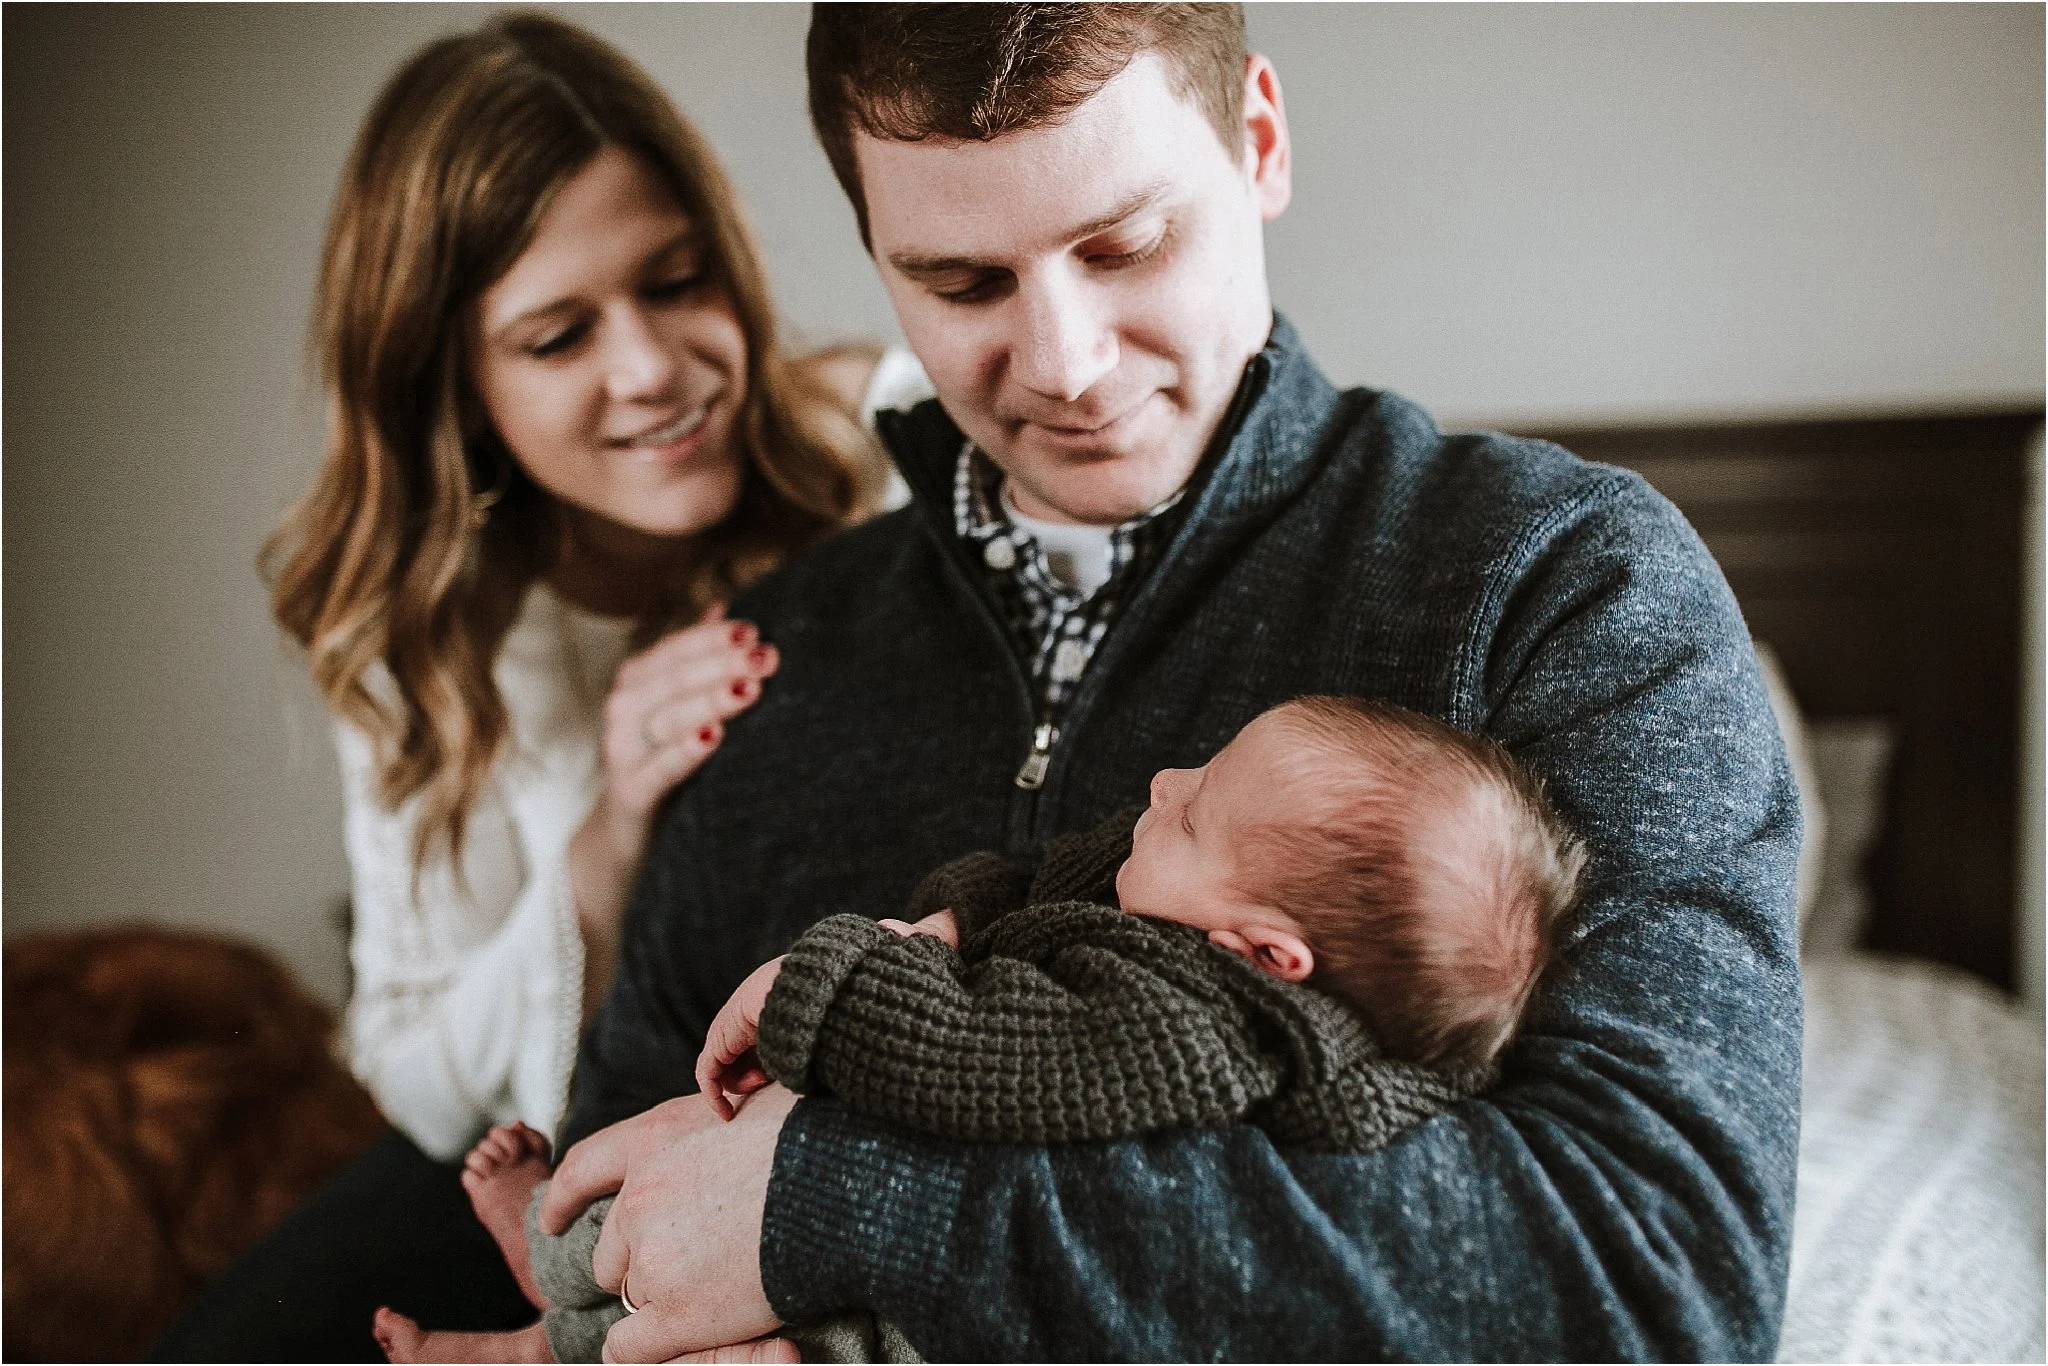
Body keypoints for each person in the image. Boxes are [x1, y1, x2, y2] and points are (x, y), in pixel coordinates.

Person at [537, 4, 1803, 1362]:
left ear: (1258, 140)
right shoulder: (770, 656)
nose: (1069, 363)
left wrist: (853, 1205)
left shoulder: (1558, 583)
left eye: (1126, 245)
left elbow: (1657, 1285)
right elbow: (613, 1194)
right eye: (963, 285)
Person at [153, 13, 926, 1359]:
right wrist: (609, 840)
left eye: (680, 282)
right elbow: (410, 1071)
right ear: (454, 384)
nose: (652, 369)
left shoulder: (880, 451)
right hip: (534, 1144)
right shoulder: (425, 634)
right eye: (559, 336)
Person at [373, 694, 1589, 1363]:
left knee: (808, 1339)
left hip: (901, 1304)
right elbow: (1056, 893)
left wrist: (827, 985)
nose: (1162, 785)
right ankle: (540, 1316)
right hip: (788, 1205)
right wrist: (961, 918)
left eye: (1196, 809)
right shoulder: (1200, 943)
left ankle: (538, 1318)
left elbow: (984, 1050)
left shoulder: (1191, 1026)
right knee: (656, 1224)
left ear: (1261, 955)